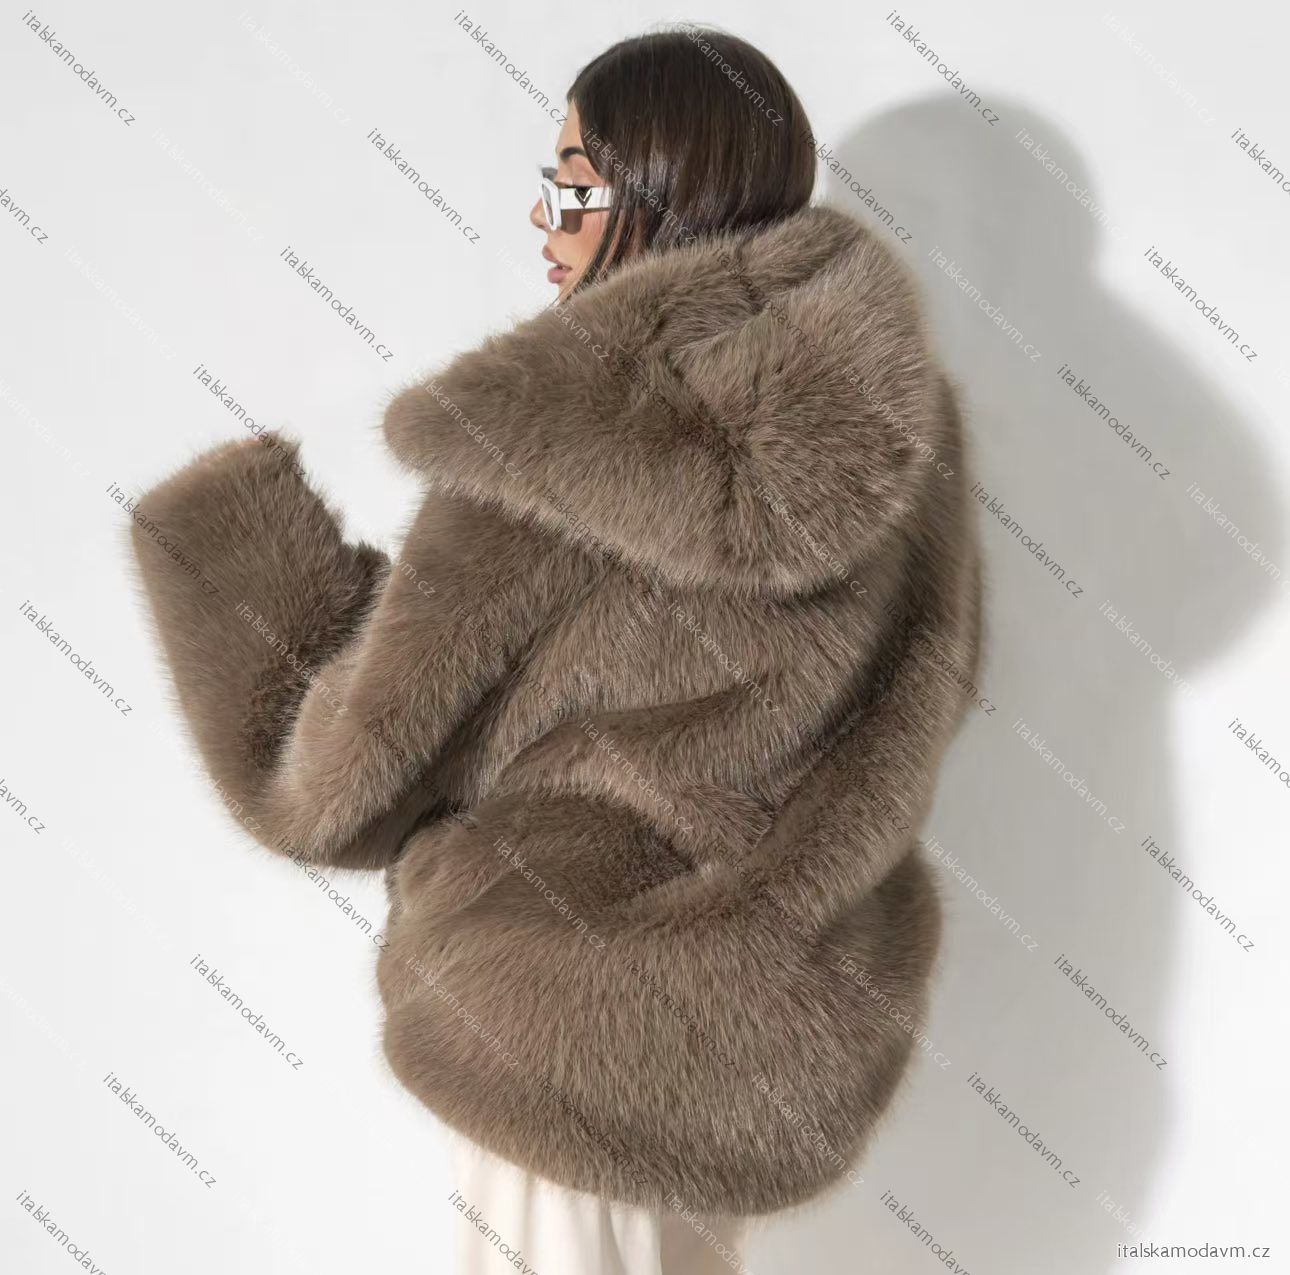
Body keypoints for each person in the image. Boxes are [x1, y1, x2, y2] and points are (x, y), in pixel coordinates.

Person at [131, 27, 981, 1275]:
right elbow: (929, 694)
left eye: (576, 185)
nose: (546, 216)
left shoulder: (558, 432)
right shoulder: (899, 432)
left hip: (557, 1015)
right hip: (774, 1013)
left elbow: (340, 784)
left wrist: (233, 555)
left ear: (658, 191)